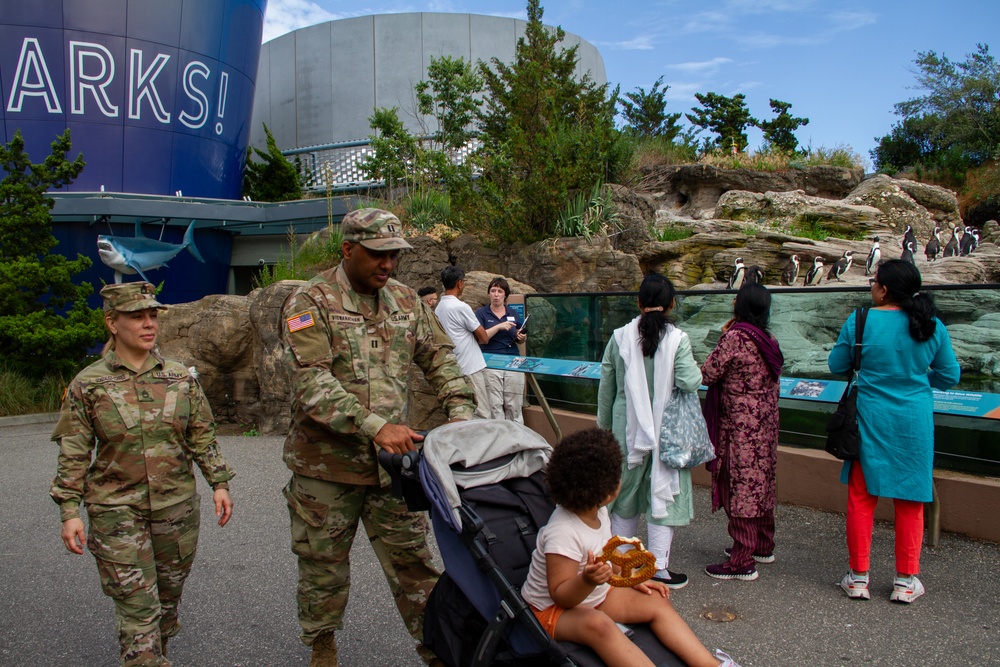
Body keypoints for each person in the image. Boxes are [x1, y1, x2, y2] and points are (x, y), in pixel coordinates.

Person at [280, 208, 476, 666]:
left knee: (415, 566)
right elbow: (311, 383)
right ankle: (322, 645)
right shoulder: (310, 302)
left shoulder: (406, 301)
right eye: (377, 254)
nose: (387, 264)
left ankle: (438, 649)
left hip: (393, 467)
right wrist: (376, 427)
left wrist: (461, 413)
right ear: (348, 249)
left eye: (394, 255)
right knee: (323, 568)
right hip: (326, 469)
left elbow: (440, 359)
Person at [50, 281, 235, 667]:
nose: (149, 323)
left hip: (176, 509)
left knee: (166, 602)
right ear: (112, 323)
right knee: (138, 611)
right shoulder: (88, 384)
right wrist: (69, 510)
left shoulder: (179, 378)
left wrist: (219, 482)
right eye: (137, 316)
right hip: (116, 512)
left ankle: (156, 648)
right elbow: (74, 452)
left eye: (153, 315)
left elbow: (201, 435)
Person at [520, 428, 740, 667]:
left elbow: (609, 553)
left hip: (595, 595)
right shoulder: (563, 533)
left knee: (655, 601)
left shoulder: (598, 511)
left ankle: (710, 665)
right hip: (552, 611)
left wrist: (631, 577)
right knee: (600, 626)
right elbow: (560, 594)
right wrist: (587, 580)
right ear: (606, 493)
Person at [828, 259, 960, 604]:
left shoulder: (861, 320)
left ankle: (858, 577)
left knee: (861, 498)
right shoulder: (932, 325)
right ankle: (905, 580)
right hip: (914, 422)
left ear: (884, 290)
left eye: (874, 281)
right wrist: (917, 379)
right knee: (911, 501)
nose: (871, 286)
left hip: (869, 419)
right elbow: (950, 376)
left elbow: (837, 365)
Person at [596, 273, 701, 590]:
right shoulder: (678, 339)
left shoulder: (619, 337)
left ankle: (620, 565)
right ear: (671, 305)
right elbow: (690, 381)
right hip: (667, 434)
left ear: (639, 302)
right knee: (662, 496)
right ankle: (658, 570)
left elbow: (607, 391)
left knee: (624, 495)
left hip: (626, 431)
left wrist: (604, 432)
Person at [700, 283, 784, 581]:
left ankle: (741, 562)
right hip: (765, 426)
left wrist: (724, 336)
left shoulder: (736, 338)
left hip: (739, 428)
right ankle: (762, 545)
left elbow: (708, 373)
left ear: (742, 305)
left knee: (740, 486)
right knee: (761, 483)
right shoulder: (769, 338)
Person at [434, 265, 491, 419]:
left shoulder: (439, 308)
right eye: (464, 282)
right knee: (482, 413)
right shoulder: (461, 307)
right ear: (459, 283)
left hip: (454, 368)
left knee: (459, 413)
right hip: (470, 367)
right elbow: (484, 337)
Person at [474, 276, 527, 423]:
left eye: (499, 291)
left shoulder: (513, 313)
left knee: (514, 404)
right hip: (491, 361)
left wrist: (521, 337)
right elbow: (480, 338)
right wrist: (498, 327)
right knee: (495, 404)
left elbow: (520, 338)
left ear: (505, 295)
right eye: (493, 291)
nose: (496, 294)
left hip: (512, 360)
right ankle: (499, 433)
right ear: (489, 293)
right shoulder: (481, 313)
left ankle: (516, 433)